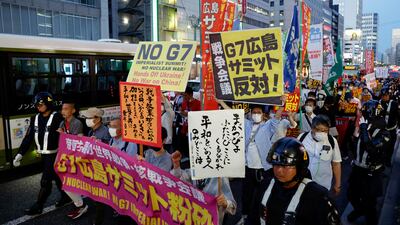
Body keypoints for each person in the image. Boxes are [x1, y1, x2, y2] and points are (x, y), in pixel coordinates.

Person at [246, 137, 341, 225]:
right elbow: (252, 219)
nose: (279, 170)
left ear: (300, 166)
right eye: (276, 164)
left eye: (285, 166)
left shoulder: (319, 197)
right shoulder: (265, 185)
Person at [12, 92, 70, 215]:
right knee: (57, 177)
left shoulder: (58, 117)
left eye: (40, 104)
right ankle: (66, 197)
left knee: (45, 181)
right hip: (44, 155)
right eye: (36, 104)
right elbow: (28, 138)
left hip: (55, 154)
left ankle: (38, 206)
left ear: (48, 103)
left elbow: (67, 136)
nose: (38, 106)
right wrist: (20, 154)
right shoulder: (35, 118)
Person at [347, 100, 390, 225]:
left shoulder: (383, 131)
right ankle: (360, 210)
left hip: (372, 172)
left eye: (364, 112)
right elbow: (354, 147)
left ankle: (370, 219)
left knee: (369, 202)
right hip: (358, 169)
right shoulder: (364, 126)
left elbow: (371, 149)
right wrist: (355, 135)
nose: (361, 114)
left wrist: (364, 129)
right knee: (351, 195)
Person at [171, 151, 236, 225]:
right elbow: (177, 180)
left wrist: (225, 202)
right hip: (193, 218)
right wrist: (176, 165)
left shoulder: (220, 177)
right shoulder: (193, 172)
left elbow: (232, 206)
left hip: (210, 221)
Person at [80, 107, 111, 225]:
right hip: (94, 165)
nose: (87, 120)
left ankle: (99, 219)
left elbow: (111, 148)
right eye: (87, 118)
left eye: (90, 118)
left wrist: (99, 142)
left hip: (103, 167)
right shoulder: (91, 131)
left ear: (98, 119)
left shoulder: (105, 131)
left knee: (100, 193)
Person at [58, 101, 89, 220]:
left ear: (73, 111)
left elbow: (77, 142)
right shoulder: (63, 122)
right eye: (62, 109)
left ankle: (81, 205)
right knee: (68, 184)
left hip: (75, 158)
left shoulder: (77, 123)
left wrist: (63, 135)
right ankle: (80, 204)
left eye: (66, 109)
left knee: (68, 184)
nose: (63, 111)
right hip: (67, 157)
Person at [297, 115, 342, 194]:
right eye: (318, 130)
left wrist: (337, 184)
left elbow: (336, 164)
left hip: (323, 184)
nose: (322, 133)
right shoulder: (302, 138)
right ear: (312, 127)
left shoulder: (332, 141)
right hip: (302, 182)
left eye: (325, 130)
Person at [176, 87, 201, 159]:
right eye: (183, 95)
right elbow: (183, 112)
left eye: (185, 95)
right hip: (184, 127)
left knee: (191, 147)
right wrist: (181, 112)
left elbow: (199, 116)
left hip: (192, 129)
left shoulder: (198, 103)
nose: (184, 97)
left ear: (191, 94)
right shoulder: (184, 103)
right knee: (183, 146)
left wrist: (189, 114)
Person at [379, 87, 398, 166]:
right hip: (381, 130)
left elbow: (398, 115)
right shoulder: (378, 103)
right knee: (381, 145)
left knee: (391, 146)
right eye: (383, 95)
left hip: (391, 129)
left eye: (386, 95)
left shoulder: (394, 103)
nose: (384, 97)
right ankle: (381, 160)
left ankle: (388, 160)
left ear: (389, 95)